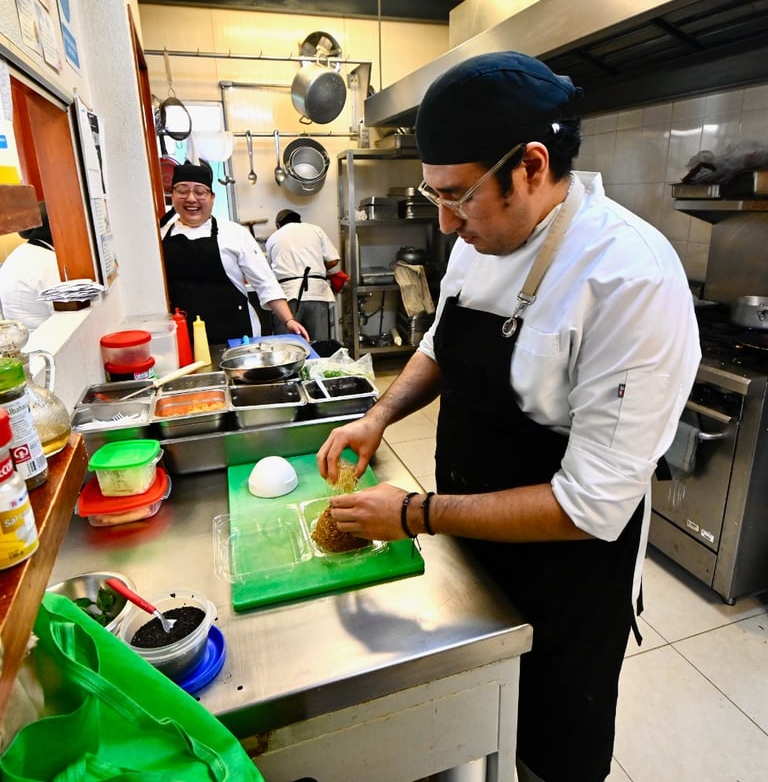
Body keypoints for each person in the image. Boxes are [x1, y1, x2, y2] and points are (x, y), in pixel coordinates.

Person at [317, 52, 701, 782]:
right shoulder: (481, 238)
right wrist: (379, 415)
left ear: (530, 165)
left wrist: (416, 512)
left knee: (548, 750)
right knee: (473, 726)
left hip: (564, 578)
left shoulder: (629, 278)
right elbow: (442, 344)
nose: (446, 223)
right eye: (434, 195)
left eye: (457, 197)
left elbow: (588, 507)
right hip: (470, 542)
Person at [159, 164, 309, 346]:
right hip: (184, 338)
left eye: (200, 192)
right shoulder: (159, 236)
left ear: (212, 197)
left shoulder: (234, 233)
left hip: (237, 335)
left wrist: (288, 320)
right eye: (183, 191)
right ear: (173, 195)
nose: (191, 199)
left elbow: (265, 282)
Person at [265, 208, 343, 341]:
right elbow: (334, 260)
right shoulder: (315, 230)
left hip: (287, 296)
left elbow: (268, 271)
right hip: (316, 293)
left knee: (288, 345)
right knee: (318, 344)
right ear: (299, 221)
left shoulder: (273, 238)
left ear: (278, 225)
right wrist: (317, 270)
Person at [0, 201, 59, 331]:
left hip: (24, 336)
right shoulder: (47, 261)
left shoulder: (22, 252)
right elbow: (67, 314)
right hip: (46, 337)